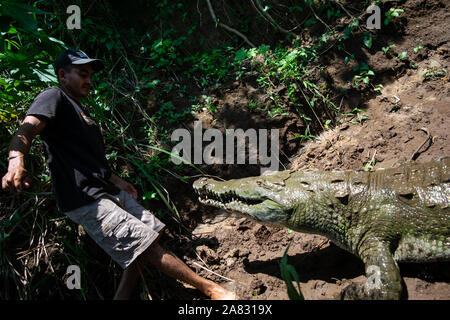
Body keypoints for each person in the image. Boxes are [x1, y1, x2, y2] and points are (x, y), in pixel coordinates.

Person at [1, 49, 237, 300]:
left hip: (104, 189)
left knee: (153, 232)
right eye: (82, 73)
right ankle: (211, 289)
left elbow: (89, 160)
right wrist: (16, 159)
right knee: (145, 247)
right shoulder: (53, 96)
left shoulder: (80, 111)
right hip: (84, 198)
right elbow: (27, 128)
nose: (89, 80)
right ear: (62, 74)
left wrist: (117, 181)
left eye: (91, 75)